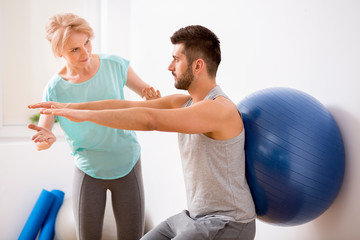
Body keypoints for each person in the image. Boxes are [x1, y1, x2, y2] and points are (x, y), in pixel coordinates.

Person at [29, 25, 256, 239]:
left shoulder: (218, 109)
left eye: (176, 59)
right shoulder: (185, 102)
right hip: (194, 217)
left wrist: (85, 116)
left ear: (197, 66)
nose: (169, 66)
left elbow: (150, 120)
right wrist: (70, 108)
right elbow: (128, 106)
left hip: (228, 222)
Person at [27, 13, 160, 240]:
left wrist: (153, 98)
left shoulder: (115, 65)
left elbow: (152, 100)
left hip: (127, 162)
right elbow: (42, 137)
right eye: (75, 49)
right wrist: (45, 141)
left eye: (87, 42)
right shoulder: (54, 89)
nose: (85, 53)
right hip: (88, 169)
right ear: (60, 53)